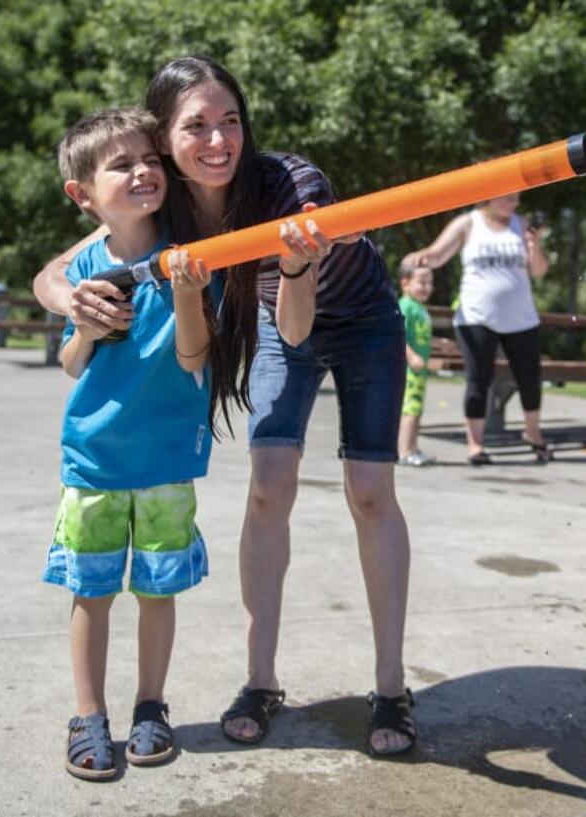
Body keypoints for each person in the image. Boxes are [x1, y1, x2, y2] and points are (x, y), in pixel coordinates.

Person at [34, 56, 417, 757]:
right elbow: (62, 266)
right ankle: (260, 680)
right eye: (197, 126)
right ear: (164, 138)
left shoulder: (290, 183)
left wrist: (299, 258)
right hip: (278, 317)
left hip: (361, 320)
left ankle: (391, 685)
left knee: (369, 493)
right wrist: (70, 304)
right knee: (268, 489)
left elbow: (303, 328)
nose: (219, 141)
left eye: (230, 121)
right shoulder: (164, 200)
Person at [44, 107, 213, 780]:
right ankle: (88, 713)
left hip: (168, 456)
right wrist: (83, 325)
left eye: (150, 159)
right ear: (81, 194)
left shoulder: (190, 249)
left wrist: (190, 294)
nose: (143, 171)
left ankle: (151, 705)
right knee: (90, 591)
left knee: (156, 589)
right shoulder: (80, 268)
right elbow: (70, 364)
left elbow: (196, 358)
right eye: (121, 165)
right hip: (93, 458)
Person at [401, 193, 551, 465]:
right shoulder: (468, 223)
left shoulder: (522, 223)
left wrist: (533, 243)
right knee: (478, 379)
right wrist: (421, 258)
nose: (514, 203)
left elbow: (539, 270)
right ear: (491, 196)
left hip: (521, 318)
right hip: (476, 316)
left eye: (517, 198)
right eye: (508, 198)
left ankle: (534, 434)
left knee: (529, 378)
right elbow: (437, 254)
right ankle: (476, 445)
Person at [397, 263, 437, 466]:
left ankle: (413, 447)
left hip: (418, 370)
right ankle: (405, 451)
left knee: (416, 408)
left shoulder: (420, 308)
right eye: (422, 282)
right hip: (409, 369)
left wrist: (440, 344)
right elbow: (399, 335)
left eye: (430, 283)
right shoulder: (406, 306)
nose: (427, 287)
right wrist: (411, 357)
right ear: (405, 283)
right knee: (410, 409)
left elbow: (420, 335)